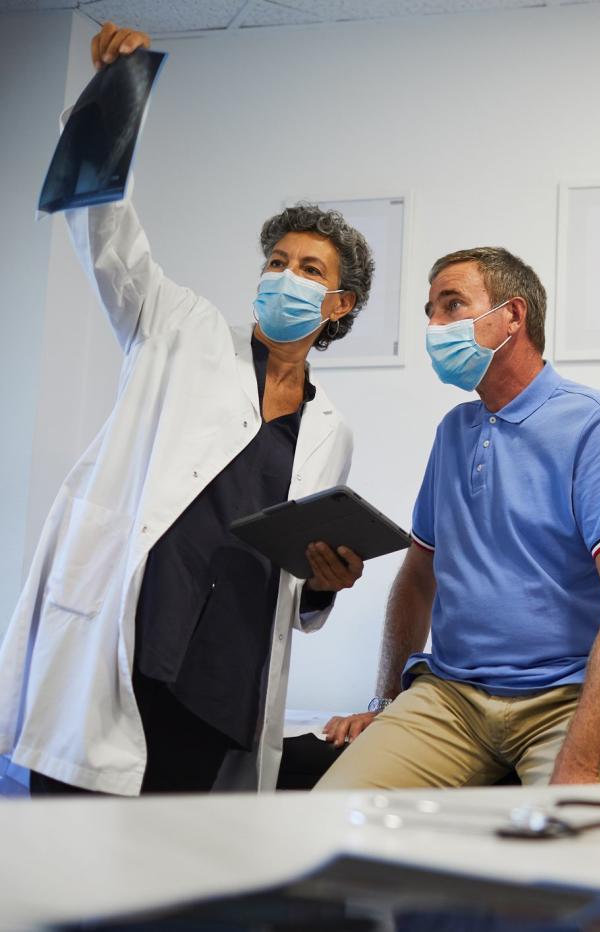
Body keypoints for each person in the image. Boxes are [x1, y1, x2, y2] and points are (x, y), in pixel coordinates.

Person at [0, 23, 371, 796]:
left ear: (339, 305)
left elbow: (297, 584)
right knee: (68, 876)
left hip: (221, 682)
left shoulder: (332, 432)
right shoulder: (180, 327)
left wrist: (329, 582)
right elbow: (106, 233)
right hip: (126, 649)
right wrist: (110, 100)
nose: (284, 277)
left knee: (169, 892)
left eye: (308, 270)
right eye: (276, 262)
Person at [315, 247, 600, 789]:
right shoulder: (454, 432)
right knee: (331, 817)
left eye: (451, 305)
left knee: (567, 846)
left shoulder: (595, 423)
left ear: (513, 316)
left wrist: (578, 765)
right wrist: (384, 701)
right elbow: (417, 578)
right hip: (452, 698)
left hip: (568, 697)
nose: (434, 326)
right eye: (430, 311)